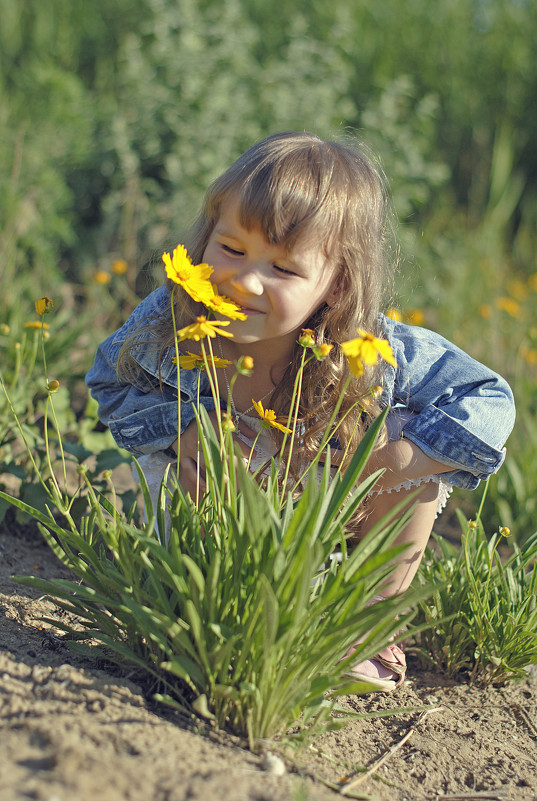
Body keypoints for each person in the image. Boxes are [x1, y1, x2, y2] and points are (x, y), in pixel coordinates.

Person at [86, 131, 515, 691]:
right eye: (231, 249)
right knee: (177, 472)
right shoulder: (170, 317)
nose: (245, 280)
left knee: (410, 438)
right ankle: (190, 596)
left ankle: (367, 624)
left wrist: (393, 460)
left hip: (322, 506)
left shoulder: (373, 348)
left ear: (336, 285)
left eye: (284, 270)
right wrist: (184, 431)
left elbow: (489, 397)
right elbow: (107, 379)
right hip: (206, 493)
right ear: (206, 236)